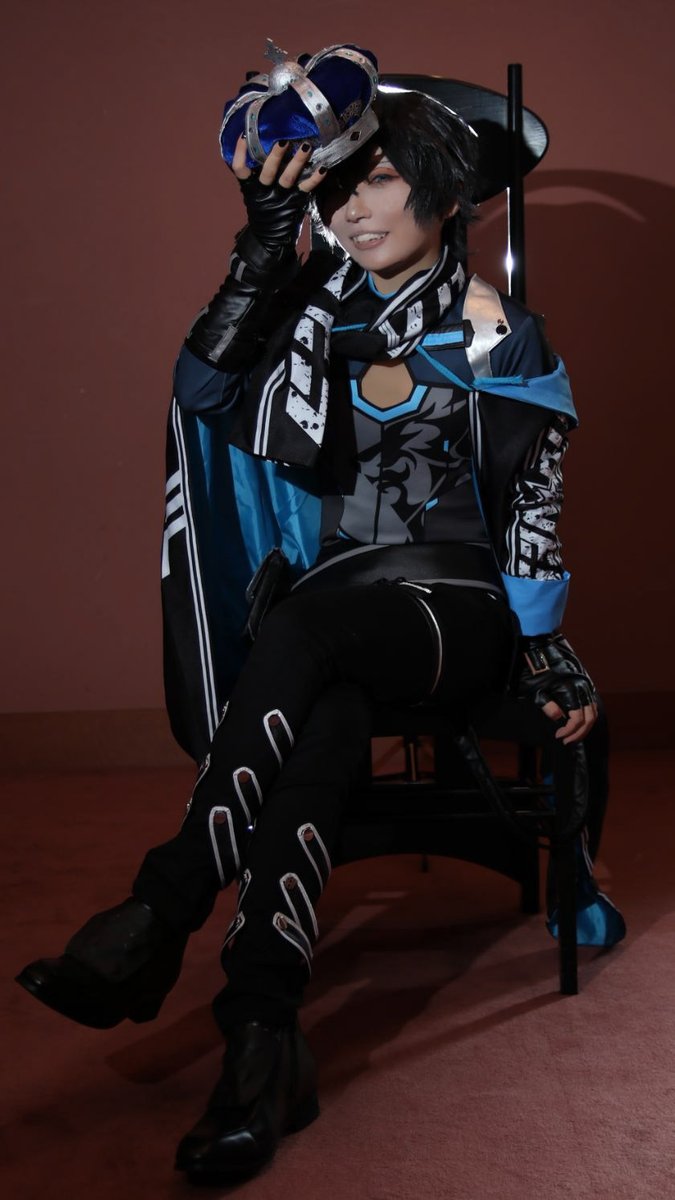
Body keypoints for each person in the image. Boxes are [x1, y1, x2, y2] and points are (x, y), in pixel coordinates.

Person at [16, 44, 600, 1185]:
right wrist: (260, 250)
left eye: (376, 180)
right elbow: (201, 391)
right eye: (336, 190)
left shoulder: (498, 331)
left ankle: (161, 905)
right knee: (315, 723)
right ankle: (261, 1038)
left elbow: (532, 501)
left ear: (441, 189)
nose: (353, 209)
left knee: (301, 634)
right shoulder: (310, 320)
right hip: (337, 611)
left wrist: (543, 645)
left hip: (455, 607)